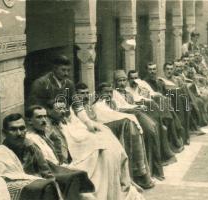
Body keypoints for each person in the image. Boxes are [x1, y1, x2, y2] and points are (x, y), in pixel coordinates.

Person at [28, 54, 144, 200]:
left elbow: (77, 106)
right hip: (49, 122)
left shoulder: (68, 83)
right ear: (54, 68)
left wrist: (89, 123)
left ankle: (110, 179)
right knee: (83, 144)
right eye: (63, 70)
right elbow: (34, 108)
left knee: (103, 135)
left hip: (68, 121)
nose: (66, 73)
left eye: (68, 70)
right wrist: (52, 113)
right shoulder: (41, 84)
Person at [0, 113, 94, 200]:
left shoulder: (30, 146)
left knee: (74, 178)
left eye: (22, 128)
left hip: (39, 186)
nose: (19, 133)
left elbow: (46, 171)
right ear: (4, 133)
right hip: (21, 192)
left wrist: (53, 185)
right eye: (13, 129)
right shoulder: (0, 154)